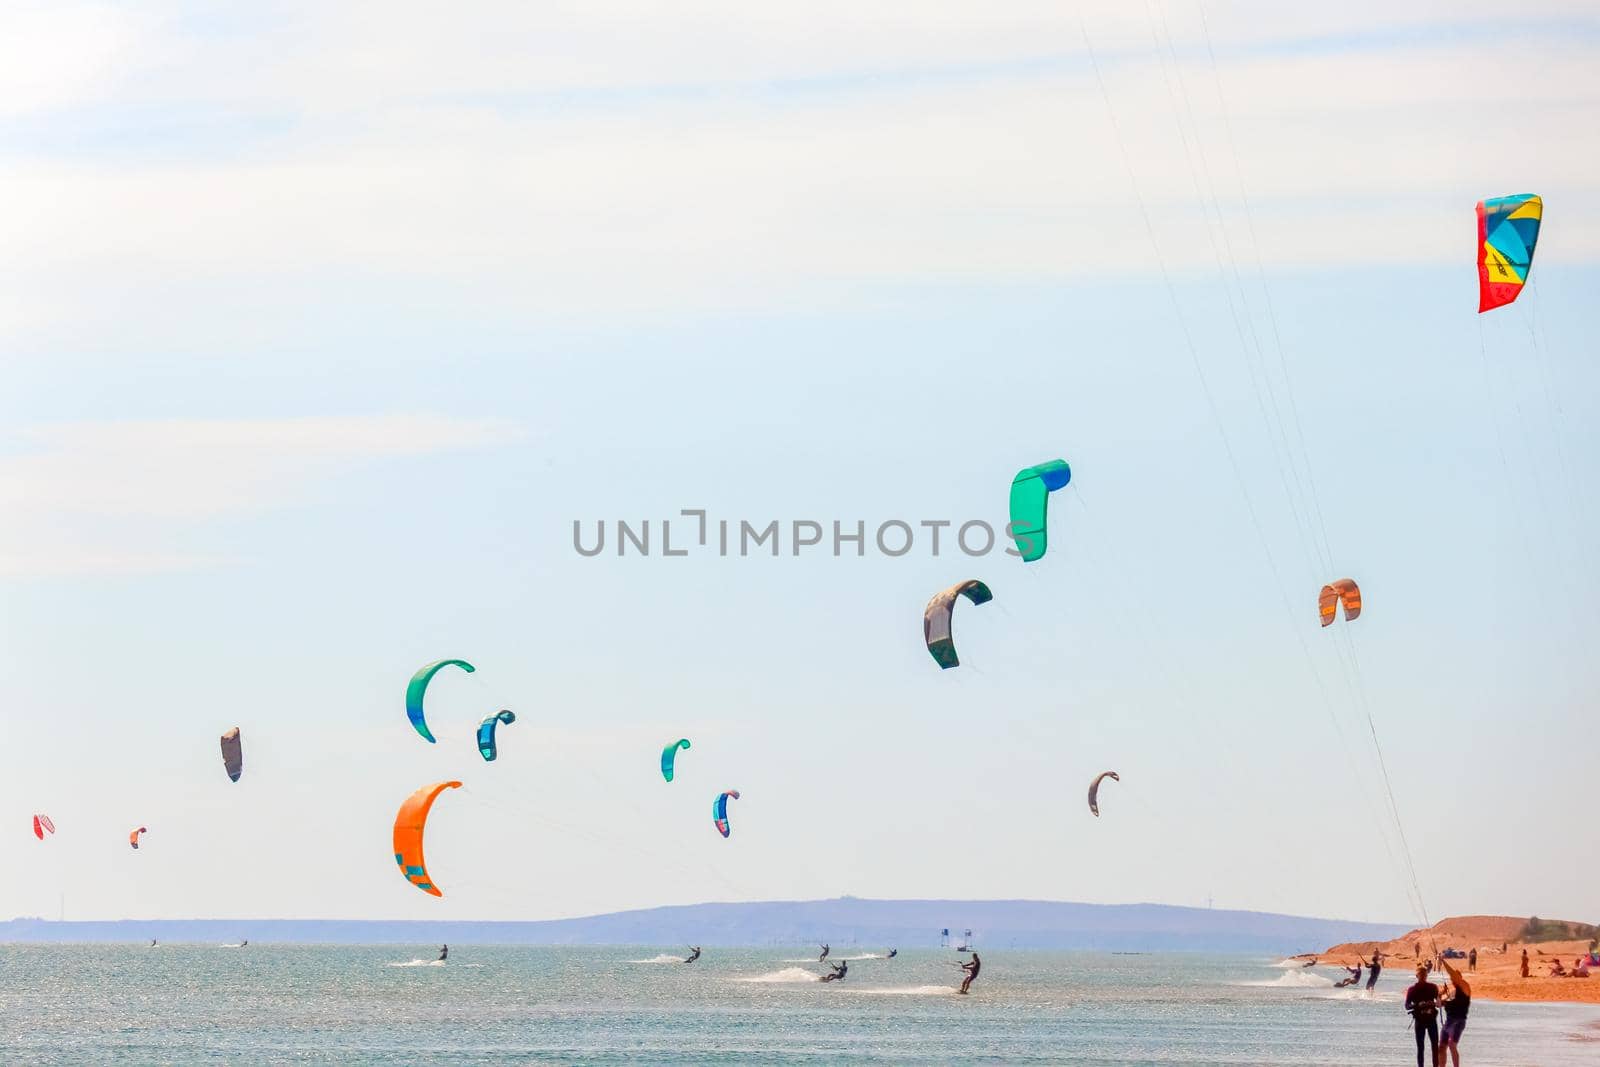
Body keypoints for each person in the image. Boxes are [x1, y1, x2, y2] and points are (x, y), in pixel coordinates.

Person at [1404, 965, 1441, 1067]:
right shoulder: (1412, 989)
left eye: (1424, 975)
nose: (1423, 977)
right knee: (1420, 1047)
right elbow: (1407, 1006)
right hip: (1419, 1020)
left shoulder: (1433, 987)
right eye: (1421, 975)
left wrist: (1434, 1003)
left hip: (1431, 1019)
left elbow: (1438, 1003)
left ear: (1427, 975)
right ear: (1417, 976)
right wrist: (1417, 1005)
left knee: (1435, 1046)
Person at [1438, 957, 1471, 1067]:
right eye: (1452, 979)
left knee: (1452, 1044)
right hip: (1448, 1022)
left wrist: (1443, 961)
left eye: (1454, 978)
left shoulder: (1465, 987)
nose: (1453, 980)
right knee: (1441, 1047)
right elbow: (1439, 1004)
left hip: (1458, 1021)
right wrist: (1440, 994)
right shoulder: (1451, 993)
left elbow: (1452, 974)